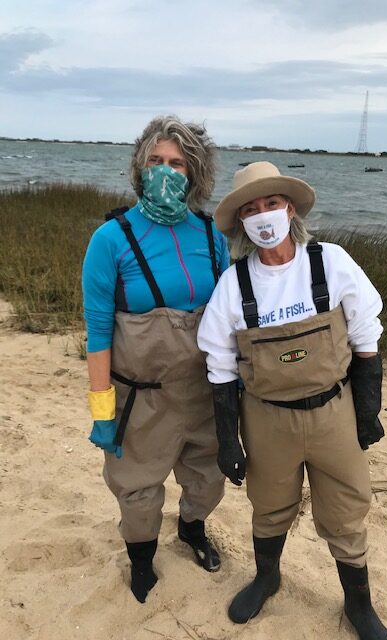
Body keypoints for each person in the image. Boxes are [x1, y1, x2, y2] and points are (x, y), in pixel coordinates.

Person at [197, 161, 387, 639]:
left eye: (271, 204)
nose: (263, 216)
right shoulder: (233, 285)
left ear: (290, 208)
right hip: (267, 421)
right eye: (251, 209)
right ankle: (267, 578)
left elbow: (366, 336)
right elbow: (220, 367)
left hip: (334, 412)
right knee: (268, 506)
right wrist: (228, 440)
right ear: (241, 223)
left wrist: (367, 412)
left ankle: (359, 606)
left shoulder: (331, 262)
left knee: (347, 510)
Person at [82, 116, 230, 604]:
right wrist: (102, 410)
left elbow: (228, 320)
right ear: (139, 167)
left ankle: (191, 531)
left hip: (202, 390)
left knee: (206, 479)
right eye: (156, 161)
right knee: (138, 490)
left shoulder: (212, 237)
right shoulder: (111, 240)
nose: (165, 172)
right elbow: (99, 333)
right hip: (138, 399)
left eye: (177, 163)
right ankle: (142, 560)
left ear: (196, 173)